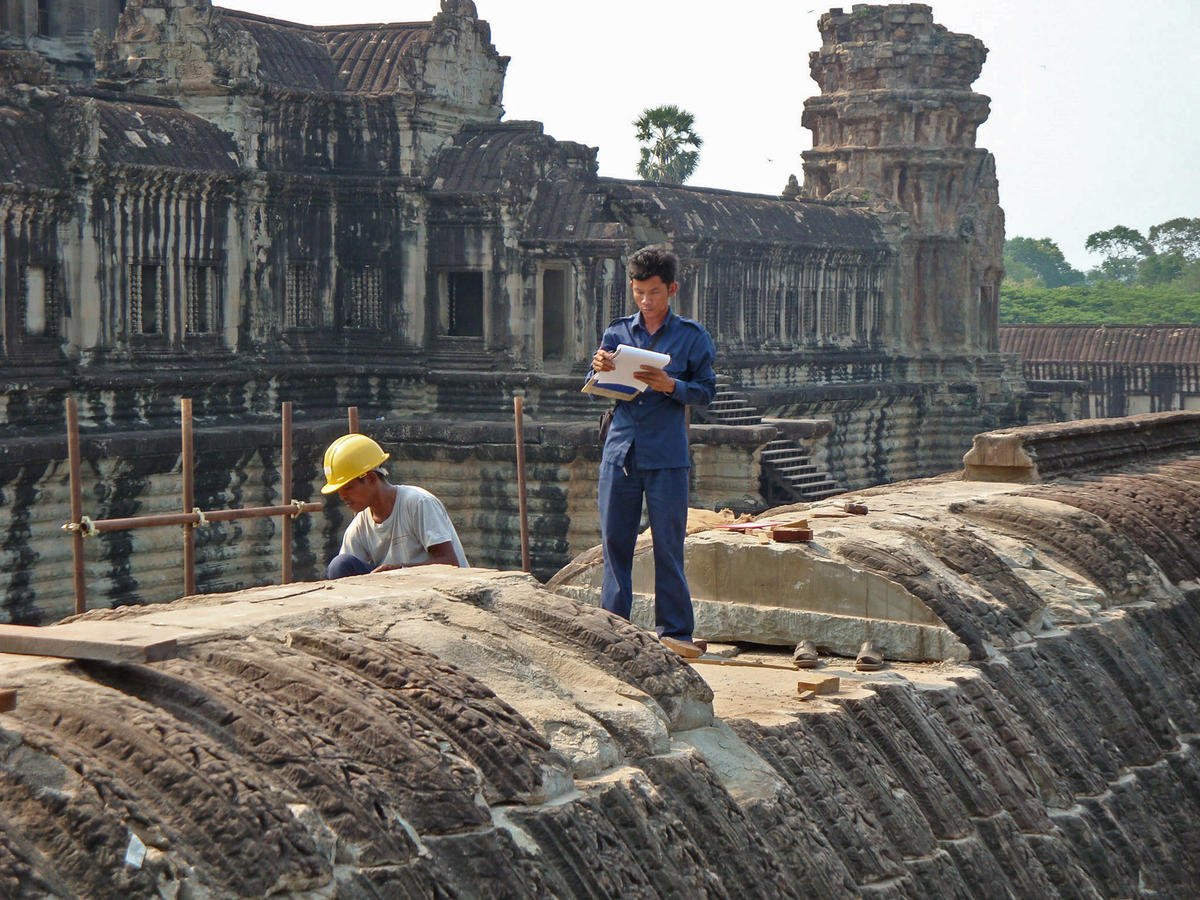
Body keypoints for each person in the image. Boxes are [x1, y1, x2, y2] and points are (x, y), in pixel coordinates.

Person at [590, 246, 716, 658]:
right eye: (640, 292)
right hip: (621, 451)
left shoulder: (691, 337)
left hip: (666, 454)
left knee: (668, 544)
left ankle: (676, 632)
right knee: (615, 543)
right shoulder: (617, 333)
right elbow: (598, 384)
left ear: (672, 289)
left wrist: (671, 386)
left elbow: (707, 391)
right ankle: (614, 628)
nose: (646, 301)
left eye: (655, 292)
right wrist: (600, 370)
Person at [321, 433, 468, 577]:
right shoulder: (359, 526)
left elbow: (450, 563)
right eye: (338, 491)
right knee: (340, 565)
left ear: (371, 478)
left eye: (347, 488)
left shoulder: (418, 502)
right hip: (394, 591)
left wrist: (399, 570)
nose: (342, 496)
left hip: (437, 587)